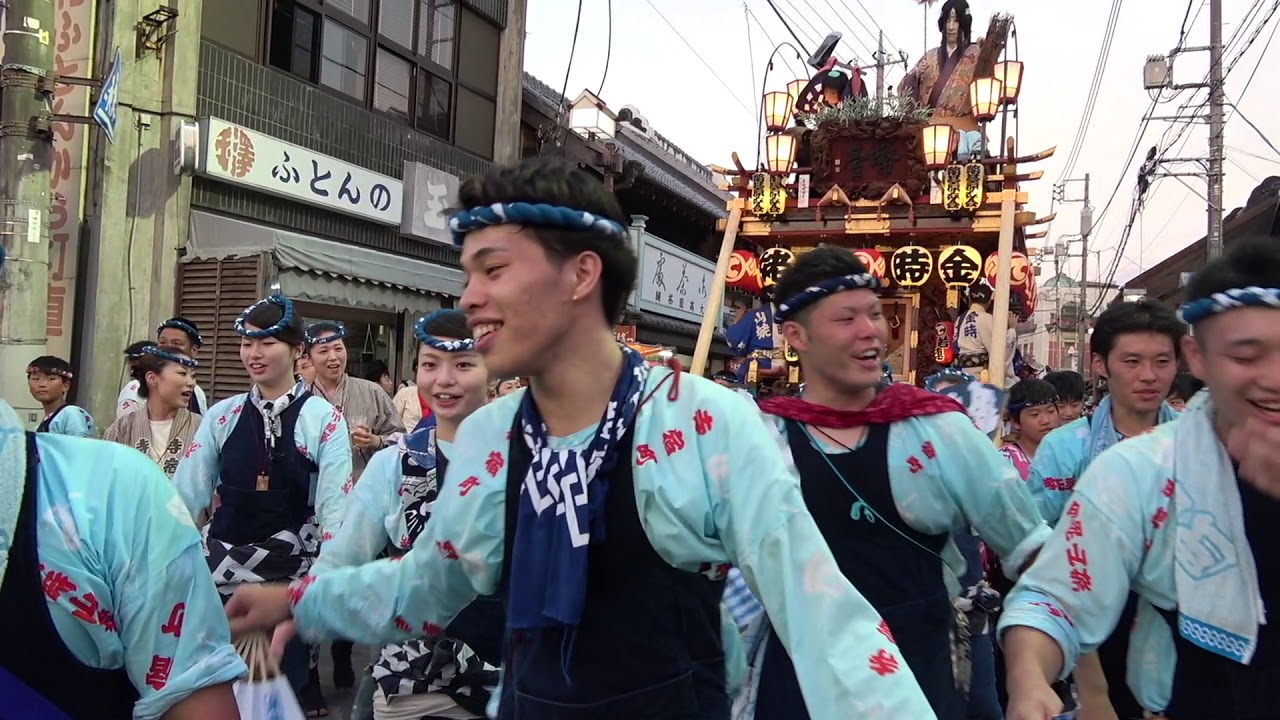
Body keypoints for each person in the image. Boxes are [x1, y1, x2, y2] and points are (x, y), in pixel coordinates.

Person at [224, 157, 938, 718]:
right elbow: (428, 585)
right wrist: (299, 600)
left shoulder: (701, 423)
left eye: (493, 268)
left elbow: (822, 614)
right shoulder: (493, 437)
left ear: (581, 275)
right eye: (468, 272)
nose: (469, 296)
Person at [733, 246, 1049, 719]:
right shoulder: (759, 438)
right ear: (795, 335)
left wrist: (1028, 673)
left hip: (915, 680)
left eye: (876, 315)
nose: (870, 331)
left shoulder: (937, 430)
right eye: (846, 318)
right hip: (798, 687)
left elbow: (1036, 556)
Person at [999, 235, 1280, 720]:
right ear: (1200, 357)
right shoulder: (1134, 470)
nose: (1274, 377)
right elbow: (1055, 589)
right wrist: (1030, 676)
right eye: (1246, 356)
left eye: (1158, 361)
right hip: (1142, 668)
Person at [0, 245, 245, 719]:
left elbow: (202, 490)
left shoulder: (180, 441)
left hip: (164, 552)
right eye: (176, 366)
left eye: (188, 364)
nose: (188, 379)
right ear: (151, 379)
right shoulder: (119, 433)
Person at [315, 310, 500, 720]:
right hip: (412, 680)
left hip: (511, 677)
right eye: (430, 365)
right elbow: (343, 557)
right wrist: (296, 605)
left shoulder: (528, 460)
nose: (444, 379)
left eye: (464, 365)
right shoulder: (394, 463)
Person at [174, 293, 353, 705]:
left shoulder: (324, 420)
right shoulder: (223, 415)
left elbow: (334, 513)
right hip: (219, 578)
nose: (254, 353)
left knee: (276, 693)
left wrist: (317, 588)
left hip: (284, 582)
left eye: (267, 342)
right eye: (247, 342)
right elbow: (185, 498)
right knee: (211, 693)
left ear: (296, 351)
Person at [1024, 299, 1184, 720]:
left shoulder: (1199, 446)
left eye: (1162, 361)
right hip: (1096, 622)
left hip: (1185, 628)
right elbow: (1049, 560)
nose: (1149, 376)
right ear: (1100, 363)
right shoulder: (1065, 449)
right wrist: (1092, 691)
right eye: (1131, 361)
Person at [103, 346, 203, 479]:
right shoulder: (122, 428)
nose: (191, 383)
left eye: (193, 376)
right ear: (152, 378)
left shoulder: (202, 428)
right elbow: (103, 476)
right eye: (182, 373)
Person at [118, 318, 210, 418]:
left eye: (176, 343)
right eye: (162, 342)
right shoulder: (135, 390)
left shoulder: (197, 392)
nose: (167, 348)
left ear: (194, 350)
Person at [26, 356, 94, 437]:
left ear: (65, 386)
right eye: (36, 379)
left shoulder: (71, 413)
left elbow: (79, 446)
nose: (42, 384)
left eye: (51, 379)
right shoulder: (41, 424)